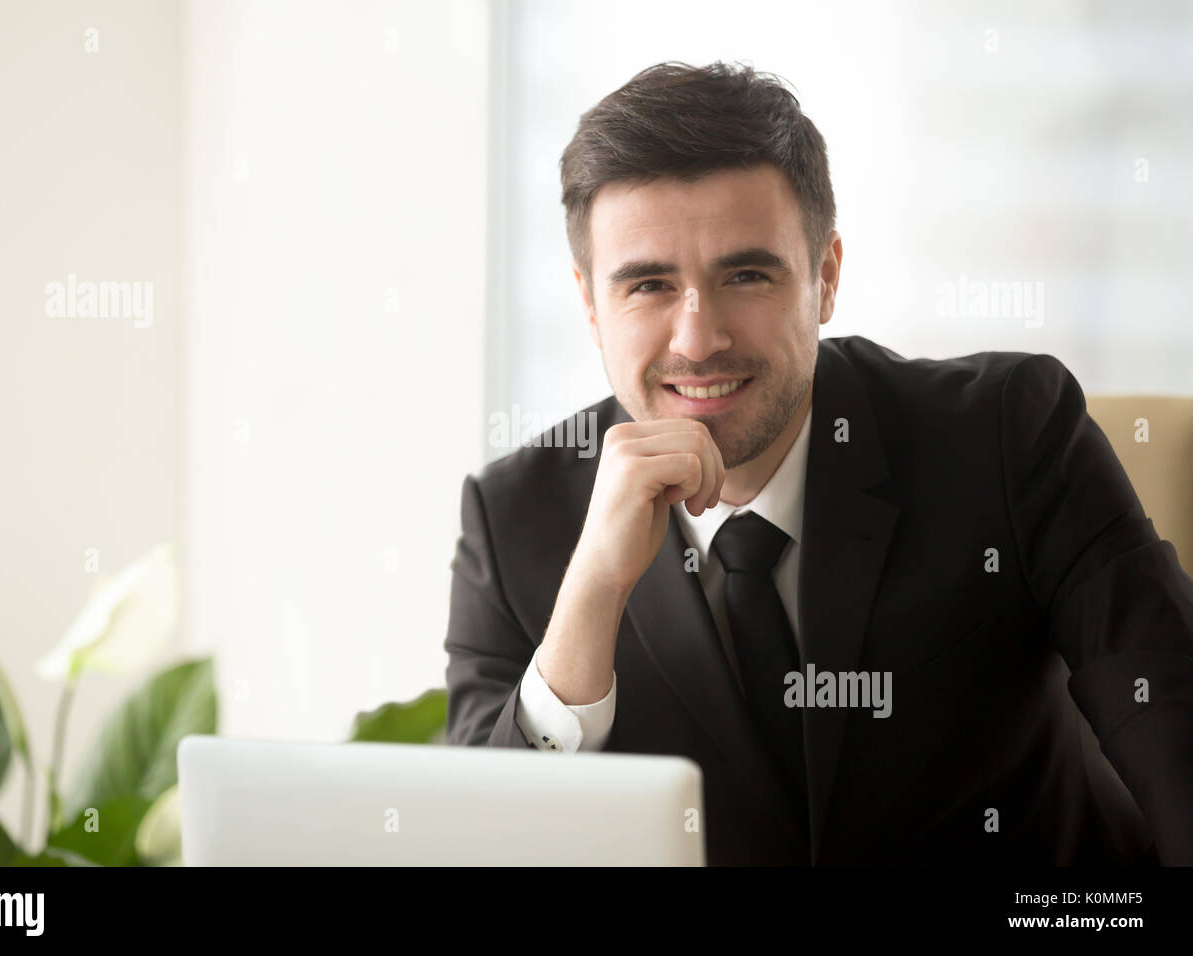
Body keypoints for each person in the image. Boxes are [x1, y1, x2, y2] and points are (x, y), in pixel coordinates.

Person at [443, 60, 1193, 865]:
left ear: (825, 277)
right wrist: (590, 593)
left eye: (746, 274)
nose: (698, 340)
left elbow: (1172, 721)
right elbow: (480, 847)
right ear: (591, 304)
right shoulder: (513, 519)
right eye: (650, 285)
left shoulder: (1011, 433)